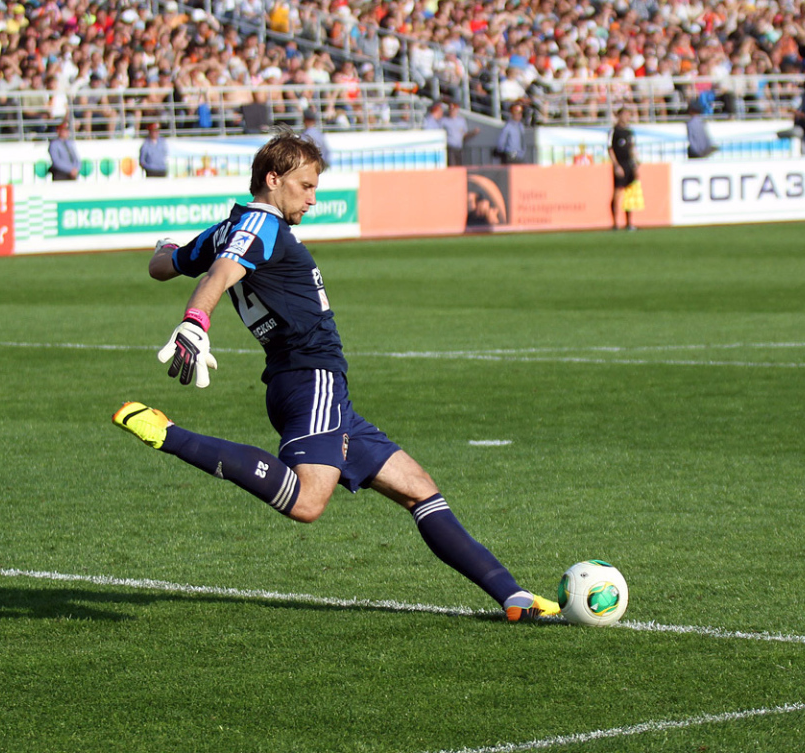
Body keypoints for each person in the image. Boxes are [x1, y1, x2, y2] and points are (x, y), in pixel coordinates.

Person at [112, 131, 559, 622]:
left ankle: (512, 596)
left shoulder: (231, 225)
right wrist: (196, 321)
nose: (313, 198)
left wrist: (169, 246)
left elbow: (163, 266)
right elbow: (222, 272)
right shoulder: (260, 224)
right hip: (311, 377)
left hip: (312, 385)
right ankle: (170, 434)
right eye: (305, 186)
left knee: (418, 488)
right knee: (306, 502)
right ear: (273, 178)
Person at [608, 107, 639, 230]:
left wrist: (635, 164)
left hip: (629, 165)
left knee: (629, 194)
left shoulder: (629, 132)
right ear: (619, 116)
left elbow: (632, 148)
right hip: (620, 164)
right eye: (625, 114)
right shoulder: (614, 132)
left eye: (629, 115)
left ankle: (629, 222)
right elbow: (610, 149)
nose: (627, 117)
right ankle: (615, 223)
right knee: (617, 192)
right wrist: (616, 165)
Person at [441, 101, 479, 167]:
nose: (452, 111)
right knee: (452, 165)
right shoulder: (444, 121)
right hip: (450, 147)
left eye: (454, 109)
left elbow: (464, 134)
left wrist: (473, 133)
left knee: (459, 165)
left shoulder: (461, 120)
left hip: (459, 147)